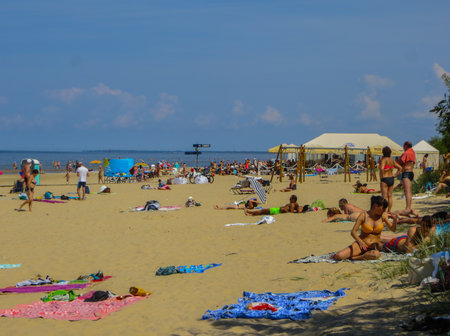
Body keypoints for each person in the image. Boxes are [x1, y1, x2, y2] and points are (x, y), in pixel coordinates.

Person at [331, 196, 398, 260]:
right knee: (339, 256)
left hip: (374, 247)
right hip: (361, 244)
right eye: (383, 208)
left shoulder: (383, 216)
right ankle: (362, 256)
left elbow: (393, 229)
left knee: (376, 255)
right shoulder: (363, 215)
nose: (384, 210)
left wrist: (395, 220)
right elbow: (353, 232)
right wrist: (361, 242)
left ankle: (358, 257)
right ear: (376, 206)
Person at [398, 141, 418, 216]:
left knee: (407, 192)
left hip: (406, 172)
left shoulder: (406, 153)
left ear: (405, 146)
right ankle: (409, 207)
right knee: (409, 191)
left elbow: (400, 162)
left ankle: (408, 208)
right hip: (411, 172)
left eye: (403, 146)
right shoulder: (412, 152)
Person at [379, 146, 402, 212]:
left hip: (385, 178)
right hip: (391, 178)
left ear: (383, 152)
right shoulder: (392, 160)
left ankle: (384, 211)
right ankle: (389, 211)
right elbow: (400, 168)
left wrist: (383, 174)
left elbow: (382, 169)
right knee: (390, 196)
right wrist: (395, 175)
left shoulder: (384, 160)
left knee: (384, 197)